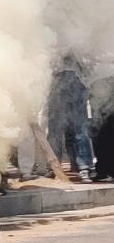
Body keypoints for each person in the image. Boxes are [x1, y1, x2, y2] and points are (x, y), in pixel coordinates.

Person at [47, 54, 94, 183]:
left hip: (76, 83)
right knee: (56, 130)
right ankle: (54, 166)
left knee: (79, 128)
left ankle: (83, 167)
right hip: (57, 82)